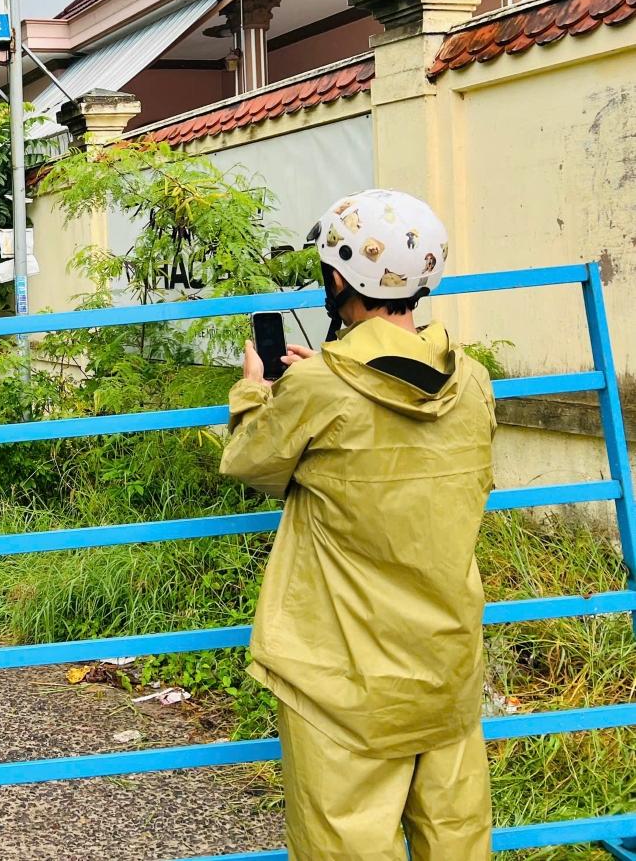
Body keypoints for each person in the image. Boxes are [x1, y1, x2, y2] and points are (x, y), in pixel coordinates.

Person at [219, 189, 496, 861]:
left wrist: (257, 389)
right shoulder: (477, 383)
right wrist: (333, 382)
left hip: (342, 677)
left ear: (339, 279)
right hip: (446, 667)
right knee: (456, 841)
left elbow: (251, 459)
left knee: (346, 847)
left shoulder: (319, 390)